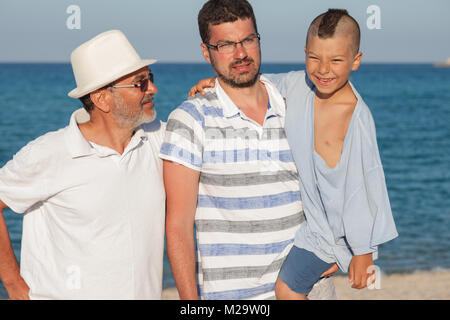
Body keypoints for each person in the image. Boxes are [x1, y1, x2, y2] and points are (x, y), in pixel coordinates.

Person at [191, 9, 399, 300]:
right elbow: (259, 82)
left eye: (336, 60)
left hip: (330, 235)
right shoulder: (301, 85)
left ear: (355, 61)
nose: (323, 69)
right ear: (305, 53)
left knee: (287, 288)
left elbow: (362, 188)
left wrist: (363, 253)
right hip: (311, 225)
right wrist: (217, 84)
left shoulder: (355, 118)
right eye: (314, 58)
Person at [160, 0, 337, 300]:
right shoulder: (190, 120)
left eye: (248, 40)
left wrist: (339, 243)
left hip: (308, 289)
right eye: (226, 45)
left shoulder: (294, 102)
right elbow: (178, 225)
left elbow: (341, 168)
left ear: (258, 39)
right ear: (207, 52)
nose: (240, 53)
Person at [0, 30, 166, 299]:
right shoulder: (50, 153)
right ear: (102, 99)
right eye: (140, 83)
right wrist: (12, 282)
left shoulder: (157, 139)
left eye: (150, 78)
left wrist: (213, 93)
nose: (153, 89)